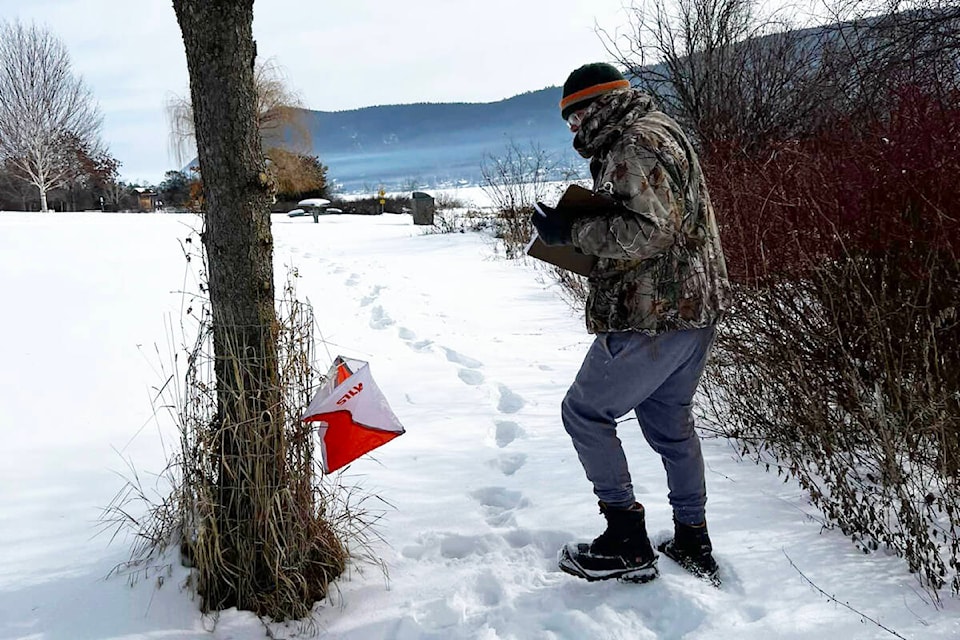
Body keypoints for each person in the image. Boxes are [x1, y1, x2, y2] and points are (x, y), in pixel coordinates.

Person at [531, 62, 731, 584]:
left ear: (595, 107)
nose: (574, 133)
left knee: (585, 412)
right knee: (669, 423)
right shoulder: (662, 130)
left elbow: (648, 232)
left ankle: (625, 539)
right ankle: (692, 538)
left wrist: (572, 230)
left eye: (575, 120)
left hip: (653, 314)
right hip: (692, 310)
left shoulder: (635, 144)